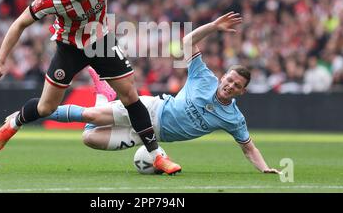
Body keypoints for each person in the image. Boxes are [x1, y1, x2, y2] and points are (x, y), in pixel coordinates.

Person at [0, 0, 181, 174]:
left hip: (100, 42)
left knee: (130, 95)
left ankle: (156, 154)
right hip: (69, 47)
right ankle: (15, 121)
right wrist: (0, 60)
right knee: (46, 107)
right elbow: (19, 23)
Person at [47, 12, 281, 174]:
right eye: (230, 79)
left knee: (89, 138)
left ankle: (104, 94)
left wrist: (264, 168)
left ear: (242, 92)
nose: (230, 85)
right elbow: (188, 40)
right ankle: (38, 111)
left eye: (236, 85)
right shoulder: (204, 77)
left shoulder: (234, 119)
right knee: (90, 116)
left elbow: (248, 148)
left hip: (147, 137)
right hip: (150, 110)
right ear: (223, 77)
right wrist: (213, 27)